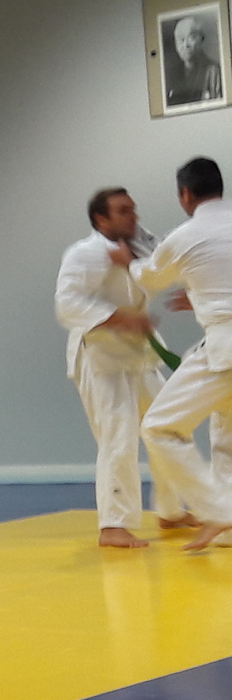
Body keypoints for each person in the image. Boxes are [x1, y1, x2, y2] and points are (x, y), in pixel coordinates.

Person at [56, 188, 196, 548]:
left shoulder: (141, 246)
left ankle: (170, 510)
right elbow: (67, 305)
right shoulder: (83, 254)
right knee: (118, 437)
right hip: (102, 358)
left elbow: (166, 266)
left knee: (169, 426)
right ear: (101, 219)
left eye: (133, 209)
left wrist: (194, 292)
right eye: (122, 211)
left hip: (139, 356)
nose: (132, 216)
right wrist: (122, 319)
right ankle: (113, 525)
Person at [111, 157, 232, 550]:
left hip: (225, 348)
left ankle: (219, 512)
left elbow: (152, 276)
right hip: (222, 340)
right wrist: (201, 297)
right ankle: (228, 524)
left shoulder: (185, 235)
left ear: (185, 194)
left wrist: (130, 263)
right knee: (226, 435)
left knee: (159, 427)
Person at [166, 16, 223, 108]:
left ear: (201, 40)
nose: (186, 45)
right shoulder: (171, 74)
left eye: (191, 38)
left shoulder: (214, 71)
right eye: (181, 39)